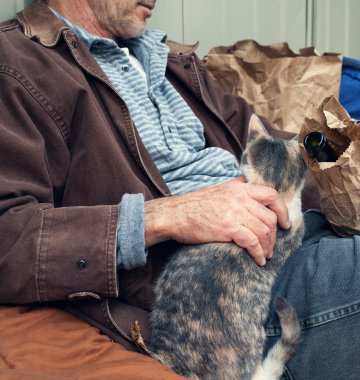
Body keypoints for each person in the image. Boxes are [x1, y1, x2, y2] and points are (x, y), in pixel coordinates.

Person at [0, 1, 359, 379]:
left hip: (294, 237)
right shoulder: (16, 64)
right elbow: (10, 235)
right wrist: (173, 215)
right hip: (224, 300)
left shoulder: (169, 63)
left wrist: (335, 146)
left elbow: (268, 141)